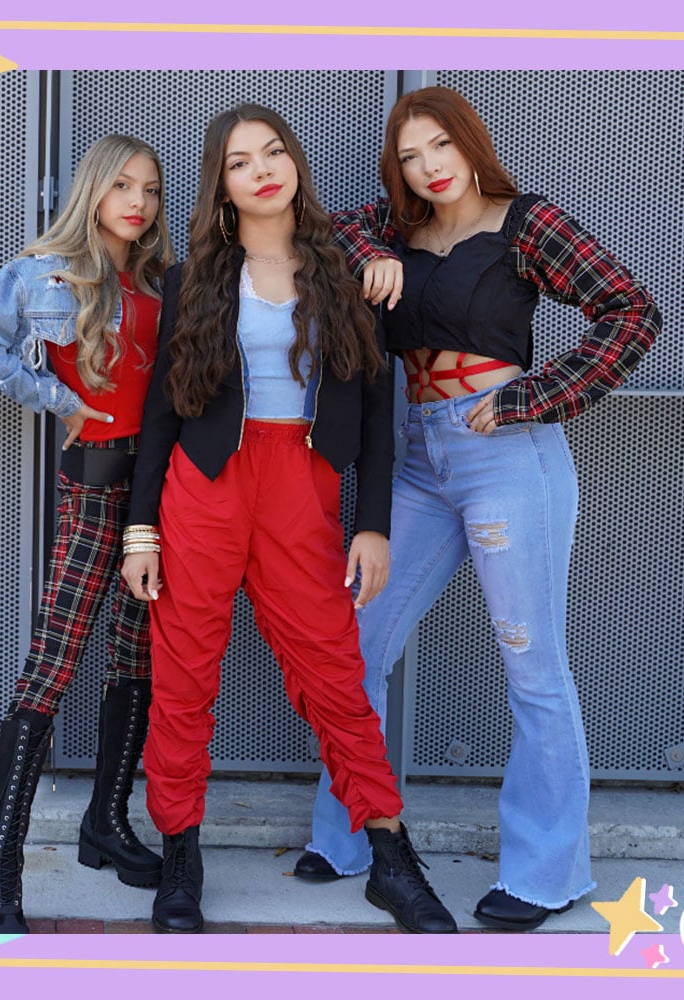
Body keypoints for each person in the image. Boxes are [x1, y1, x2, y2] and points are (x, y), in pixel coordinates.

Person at [295, 86, 662, 931]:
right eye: (409, 156)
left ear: (468, 143)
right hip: (418, 460)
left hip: (507, 457)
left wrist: (544, 395)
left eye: (438, 148)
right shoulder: (395, 229)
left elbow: (631, 310)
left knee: (532, 666)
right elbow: (322, 234)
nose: (427, 168)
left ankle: (548, 873)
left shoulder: (527, 224)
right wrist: (365, 258)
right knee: (354, 646)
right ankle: (353, 835)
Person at [120, 103, 456, 935]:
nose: (264, 169)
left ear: (296, 163)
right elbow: (161, 411)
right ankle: (180, 858)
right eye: (241, 161)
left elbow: (382, 410)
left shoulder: (347, 270)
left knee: (335, 672)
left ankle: (389, 855)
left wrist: (369, 522)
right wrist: (141, 529)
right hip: (204, 486)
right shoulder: (189, 277)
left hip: (301, 485)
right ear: (222, 185)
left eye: (275, 152)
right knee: (185, 676)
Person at [0, 134, 174, 934]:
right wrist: (54, 396)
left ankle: (104, 824)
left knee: (136, 655)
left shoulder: (163, 277)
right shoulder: (45, 271)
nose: (136, 202)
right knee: (54, 661)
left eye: (149, 188)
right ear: (92, 193)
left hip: (166, 491)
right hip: (97, 482)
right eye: (121, 187)